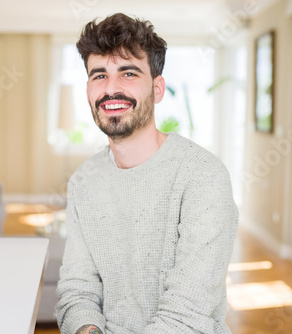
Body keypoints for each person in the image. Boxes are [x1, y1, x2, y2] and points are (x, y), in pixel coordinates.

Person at [55, 13, 238, 334]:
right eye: (99, 75)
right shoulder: (82, 182)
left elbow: (187, 314)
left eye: (128, 73)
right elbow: (77, 289)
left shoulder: (203, 176)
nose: (111, 89)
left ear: (157, 88)